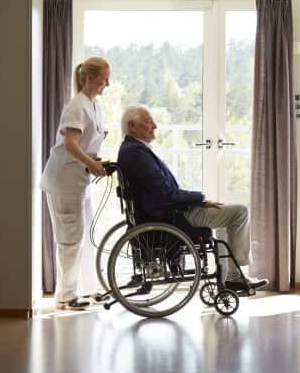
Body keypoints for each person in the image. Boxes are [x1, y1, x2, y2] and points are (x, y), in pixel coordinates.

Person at [115, 105, 268, 295]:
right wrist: (199, 198)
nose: (154, 126)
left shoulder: (132, 150)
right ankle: (233, 277)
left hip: (167, 211)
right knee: (239, 213)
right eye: (148, 122)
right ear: (132, 126)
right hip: (172, 216)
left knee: (226, 217)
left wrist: (198, 202)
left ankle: (230, 277)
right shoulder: (136, 153)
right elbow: (165, 194)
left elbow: (162, 191)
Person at [40, 57, 111, 310]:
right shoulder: (76, 106)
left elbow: (85, 143)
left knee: (84, 234)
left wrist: (95, 160)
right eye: (104, 78)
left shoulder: (93, 105)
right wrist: (91, 164)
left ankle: (87, 287)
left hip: (80, 179)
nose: (108, 83)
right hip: (65, 180)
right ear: (89, 78)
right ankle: (66, 296)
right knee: (70, 238)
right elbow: (70, 144)